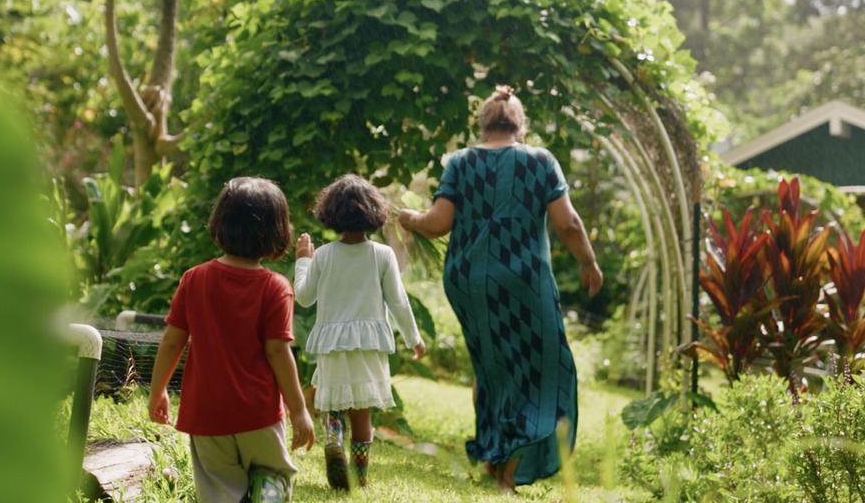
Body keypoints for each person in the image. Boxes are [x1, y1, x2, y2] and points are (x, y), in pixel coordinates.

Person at [398, 85, 603, 494]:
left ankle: (494, 457)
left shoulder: (460, 162)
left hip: (470, 282)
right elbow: (569, 224)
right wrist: (588, 261)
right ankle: (506, 474)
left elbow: (439, 222)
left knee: (490, 367)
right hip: (524, 282)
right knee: (542, 371)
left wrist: (412, 219)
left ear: (483, 124)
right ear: (520, 125)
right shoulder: (541, 161)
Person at [148, 177, 315, 503]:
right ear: (276, 232)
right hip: (258, 413)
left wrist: (158, 391)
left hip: (206, 414)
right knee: (273, 476)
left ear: (219, 223)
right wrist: (298, 411)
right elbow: (279, 352)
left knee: (221, 491)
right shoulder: (275, 287)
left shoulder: (193, 279)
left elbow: (171, 342)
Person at [294, 174, 427, 491]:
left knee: (334, 403)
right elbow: (398, 301)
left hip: (332, 343)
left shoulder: (324, 254)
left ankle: (334, 440)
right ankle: (361, 476)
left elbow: (303, 297)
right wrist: (413, 338)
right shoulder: (382, 255)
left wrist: (302, 261)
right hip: (368, 343)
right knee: (362, 411)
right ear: (374, 212)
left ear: (331, 213)